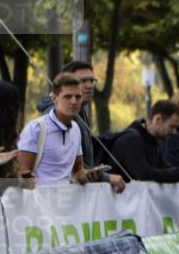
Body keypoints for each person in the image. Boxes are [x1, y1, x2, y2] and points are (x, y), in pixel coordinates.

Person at [36, 61, 126, 193]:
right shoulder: (58, 114)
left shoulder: (78, 111)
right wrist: (106, 177)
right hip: (57, 197)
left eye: (92, 80)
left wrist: (93, 170)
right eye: (83, 81)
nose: (89, 85)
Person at [16, 73, 108, 187]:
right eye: (68, 97)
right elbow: (22, 176)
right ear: (54, 98)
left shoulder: (76, 129)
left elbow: (78, 173)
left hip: (68, 201)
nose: (74, 101)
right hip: (39, 202)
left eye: (78, 97)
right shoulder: (36, 128)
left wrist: (91, 174)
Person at [108, 100, 179, 183]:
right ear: (157, 119)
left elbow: (164, 169)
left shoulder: (153, 140)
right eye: (172, 126)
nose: (174, 132)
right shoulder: (132, 139)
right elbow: (144, 174)